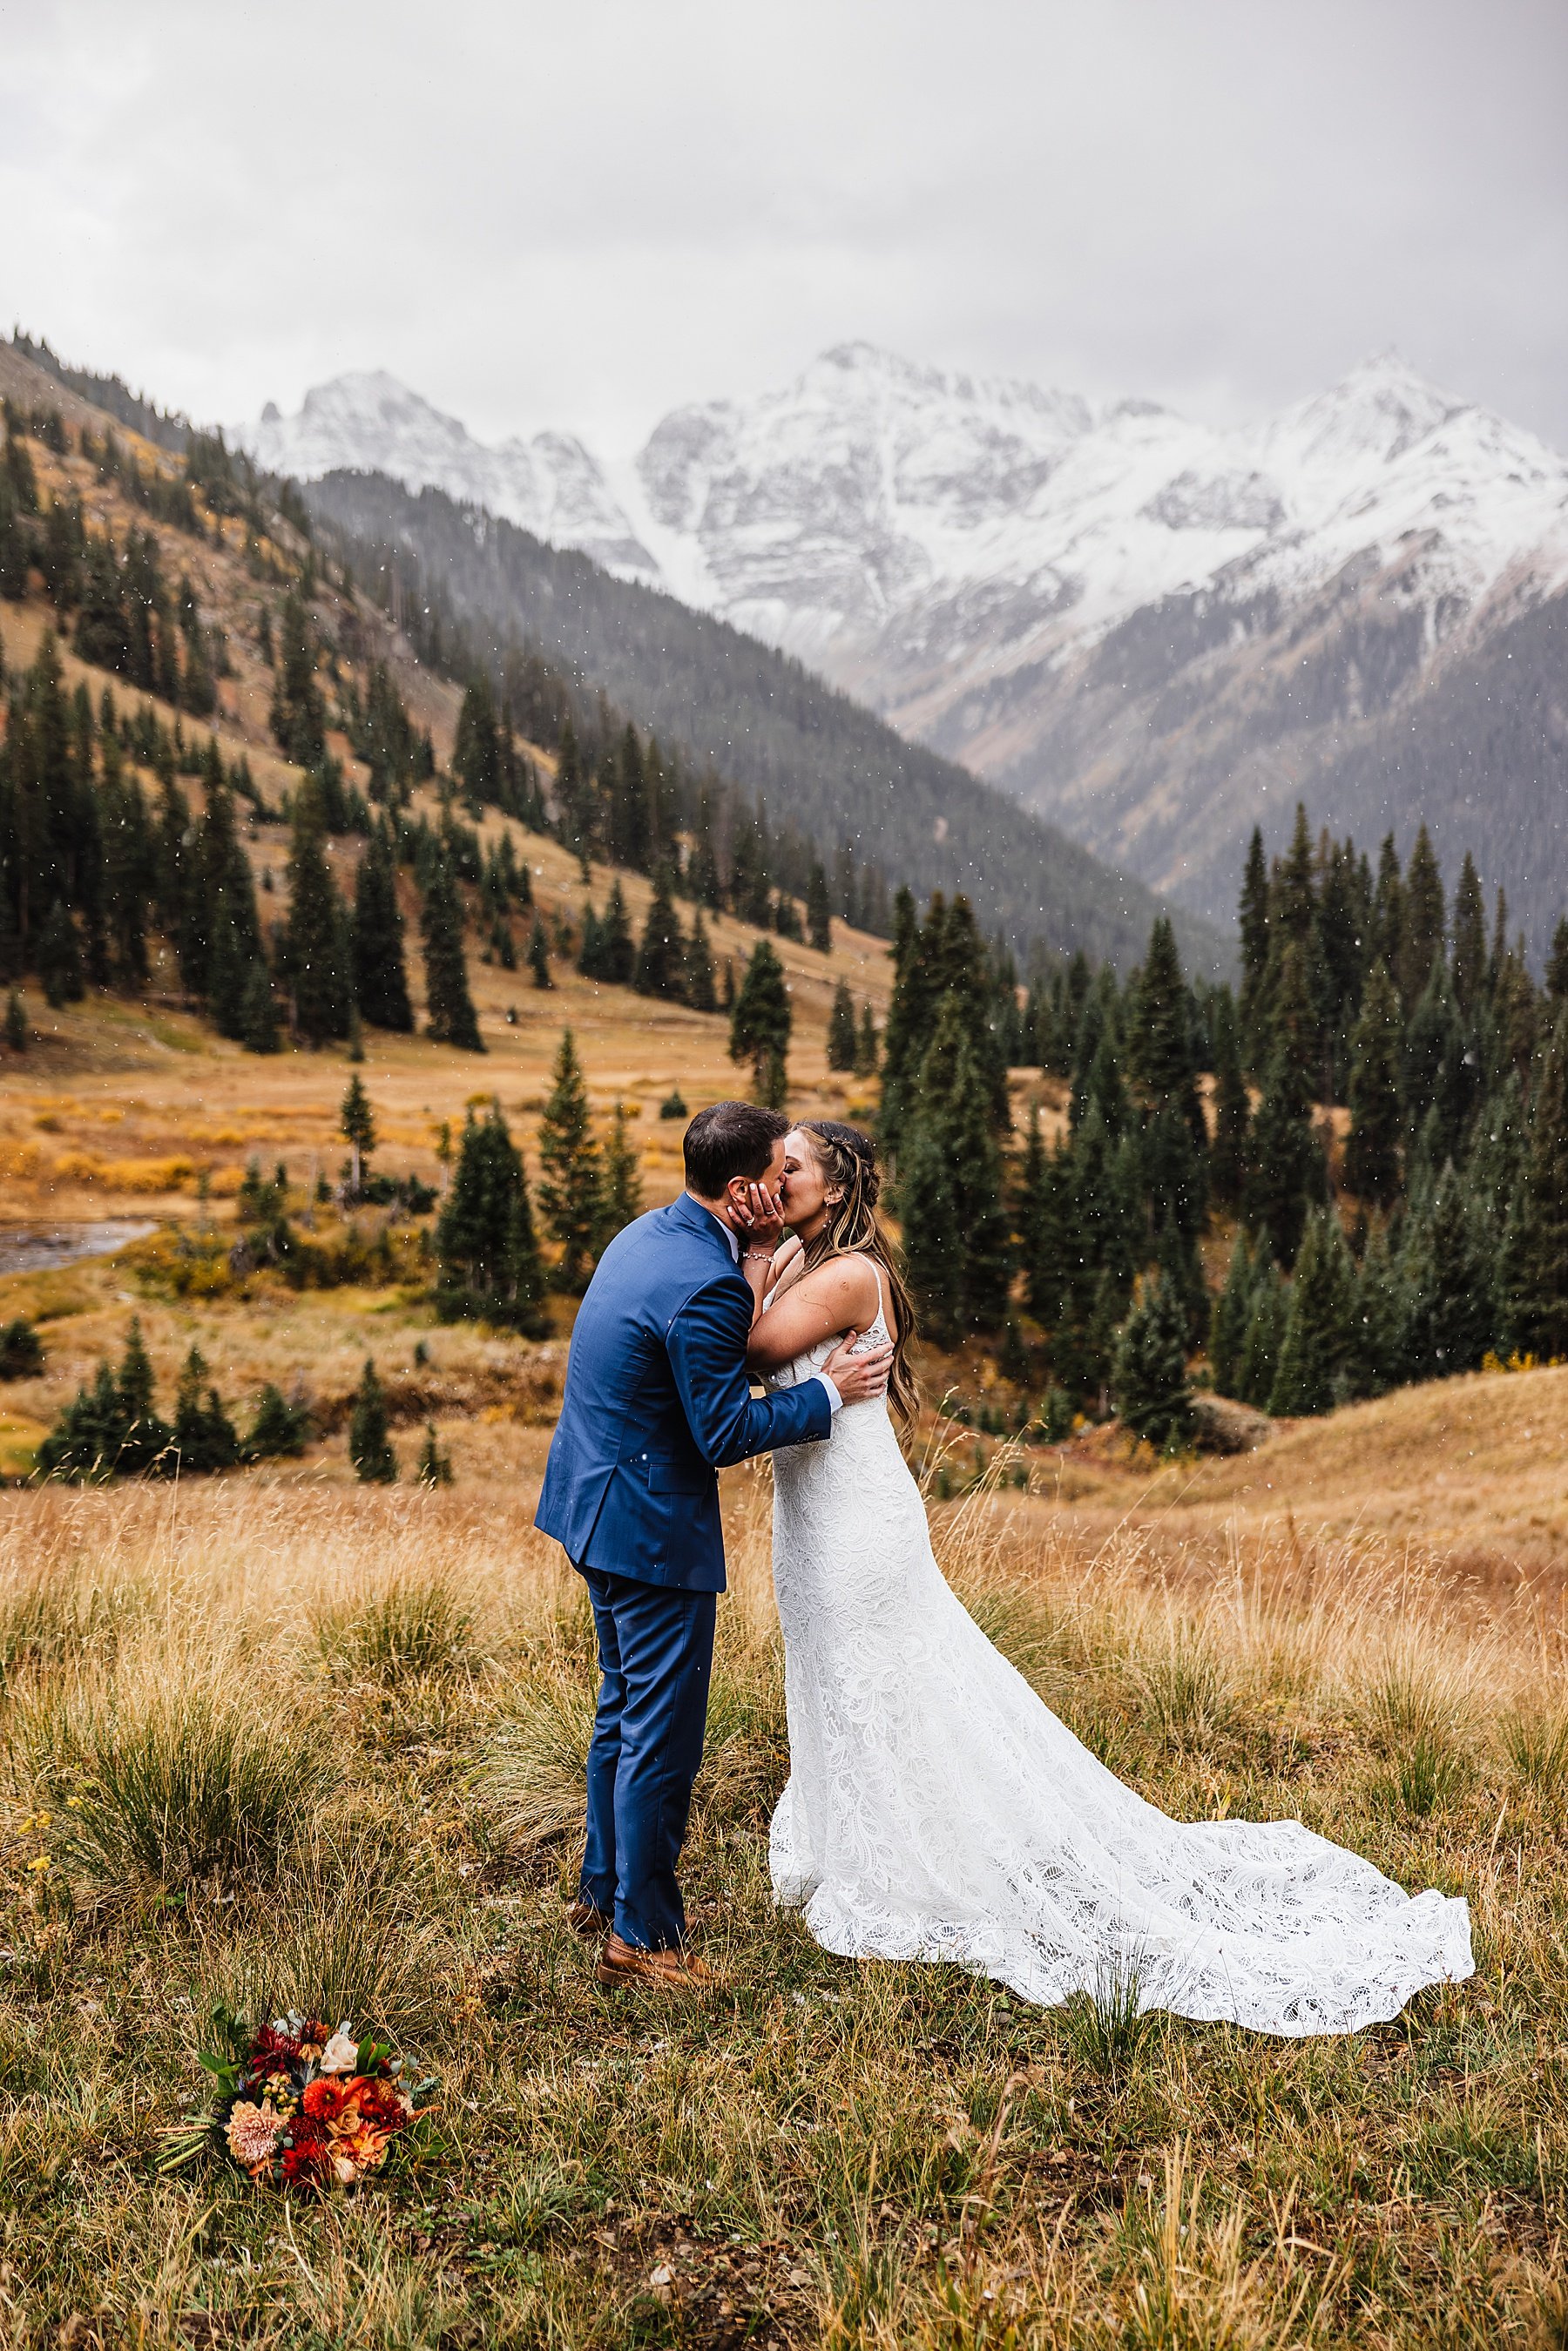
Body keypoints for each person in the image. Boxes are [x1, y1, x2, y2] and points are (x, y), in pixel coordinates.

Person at [742, 1118, 1473, 2036]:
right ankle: (864, 1840)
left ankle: (920, 1861)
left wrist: (757, 1245)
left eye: (792, 1167)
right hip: (812, 1513)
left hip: (857, 1521)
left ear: (839, 1188)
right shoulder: (810, 1261)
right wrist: (771, 1248)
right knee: (834, 1668)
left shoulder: (848, 1273)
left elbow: (755, 1349)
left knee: (884, 1676)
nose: (776, 1178)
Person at [535, 1100, 893, 1990]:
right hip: (648, 1528)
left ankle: (602, 1890)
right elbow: (723, 1430)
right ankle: (644, 1940)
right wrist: (830, 1394)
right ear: (742, 1191)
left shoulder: (653, 1233)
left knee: (624, 1709)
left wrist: (761, 1261)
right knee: (660, 1736)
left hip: (592, 1499)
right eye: (776, 1174)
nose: (785, 1185)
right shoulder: (711, 1285)